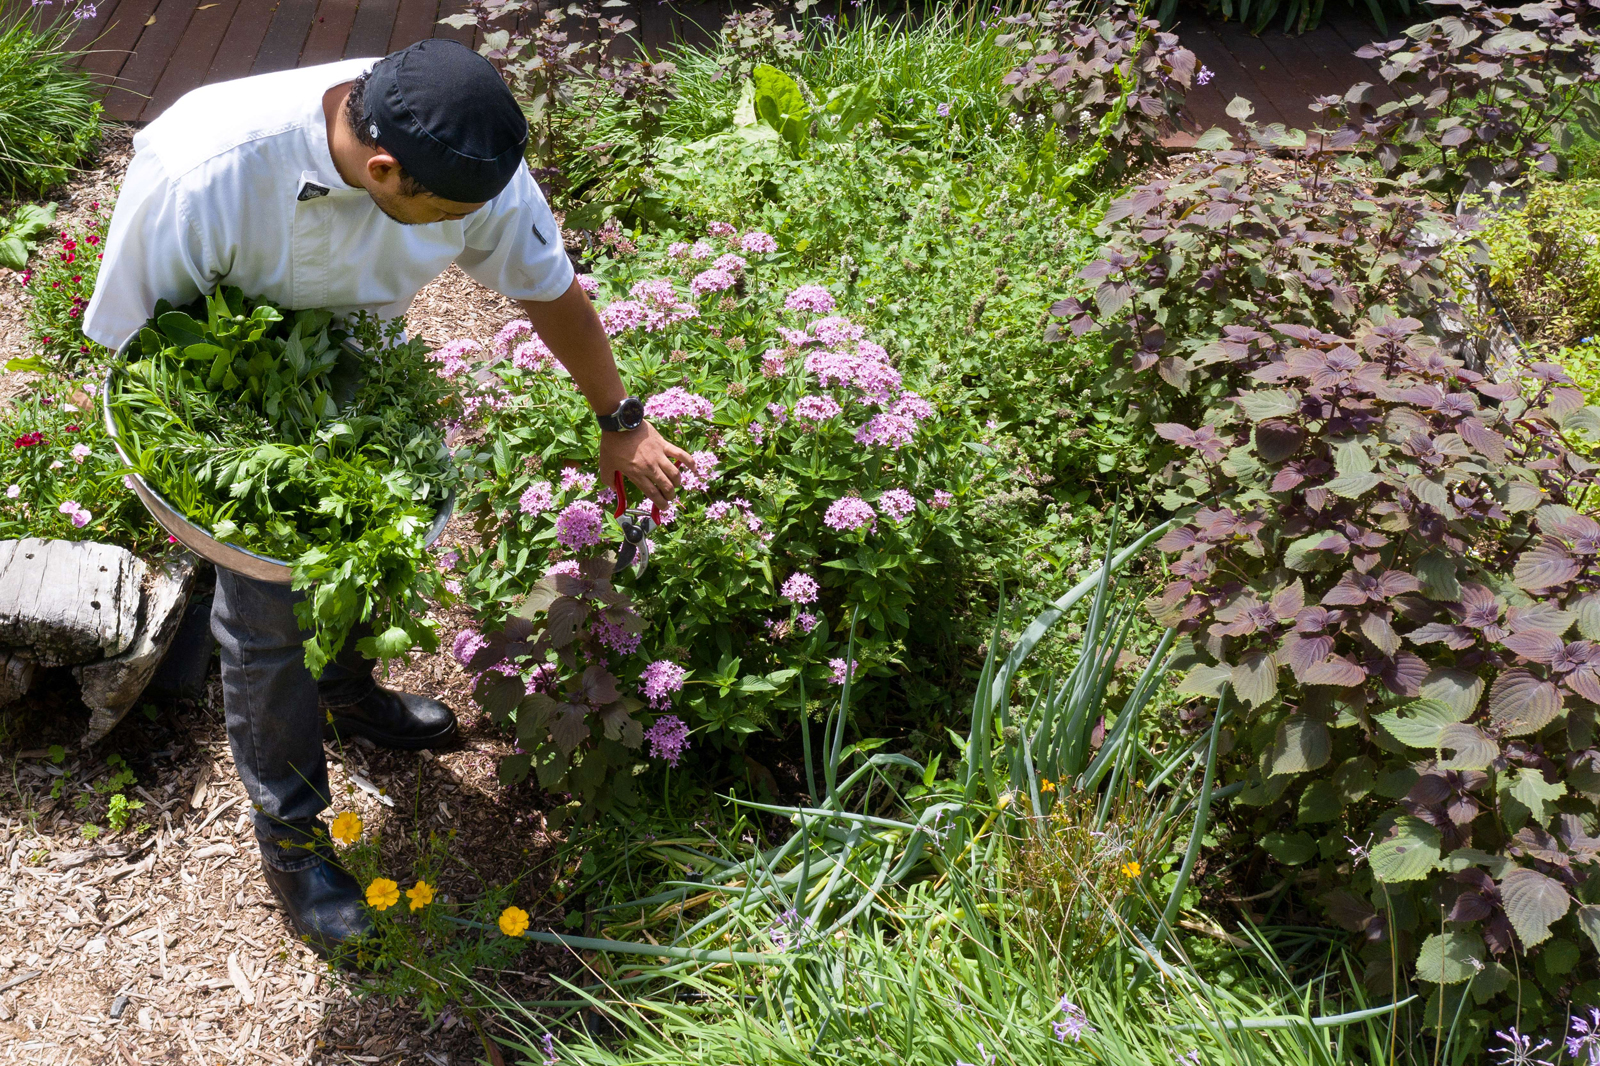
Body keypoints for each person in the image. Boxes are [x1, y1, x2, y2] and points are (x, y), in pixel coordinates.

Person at [82, 39, 690, 958]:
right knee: (265, 614)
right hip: (224, 383)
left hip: (351, 367)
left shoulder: (466, 158)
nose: (469, 228)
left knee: (378, 538)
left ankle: (346, 689)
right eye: (446, 217)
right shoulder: (201, 169)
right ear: (381, 169)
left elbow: (545, 282)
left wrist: (621, 416)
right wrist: (218, 476)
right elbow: (137, 356)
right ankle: (291, 837)